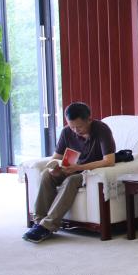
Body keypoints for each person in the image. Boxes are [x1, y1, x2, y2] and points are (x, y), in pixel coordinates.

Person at [23, 102, 117, 242]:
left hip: (90, 172)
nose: (75, 130)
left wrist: (78, 168)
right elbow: (56, 157)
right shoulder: (67, 132)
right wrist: (54, 168)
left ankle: (47, 225)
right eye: (72, 126)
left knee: (71, 180)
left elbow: (109, 161)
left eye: (79, 127)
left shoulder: (101, 129)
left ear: (89, 120)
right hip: (71, 168)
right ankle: (39, 222)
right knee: (47, 175)